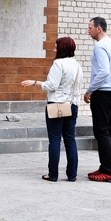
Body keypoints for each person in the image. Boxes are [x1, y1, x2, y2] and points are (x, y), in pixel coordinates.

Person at [20, 37, 84, 182]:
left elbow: (52, 85)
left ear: (62, 48)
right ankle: (72, 175)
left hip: (56, 105)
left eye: (56, 47)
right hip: (72, 105)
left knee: (54, 140)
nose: (54, 50)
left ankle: (53, 174)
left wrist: (35, 83)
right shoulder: (77, 65)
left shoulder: (58, 63)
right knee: (70, 140)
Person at [83, 16, 111, 183]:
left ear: (99, 28)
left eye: (90, 27)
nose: (88, 30)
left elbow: (104, 71)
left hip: (103, 92)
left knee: (101, 132)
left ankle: (107, 171)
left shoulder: (100, 46)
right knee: (110, 130)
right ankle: (107, 167)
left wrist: (89, 90)